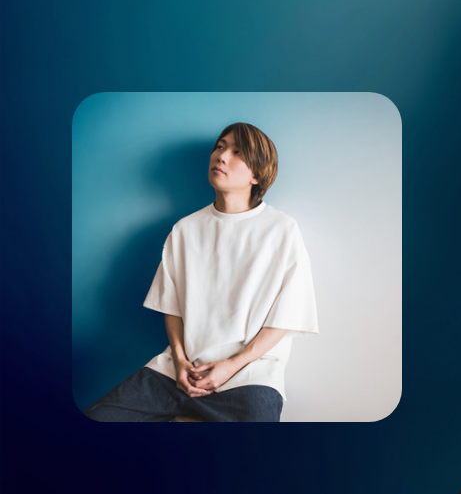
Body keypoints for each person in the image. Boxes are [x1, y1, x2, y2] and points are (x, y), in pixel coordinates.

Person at [83, 121, 320, 423]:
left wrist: (232, 365)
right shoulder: (185, 229)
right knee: (98, 417)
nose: (221, 156)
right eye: (220, 147)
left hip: (249, 374)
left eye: (237, 152)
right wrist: (180, 361)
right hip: (179, 372)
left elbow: (286, 316)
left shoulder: (282, 230)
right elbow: (172, 308)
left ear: (257, 175)